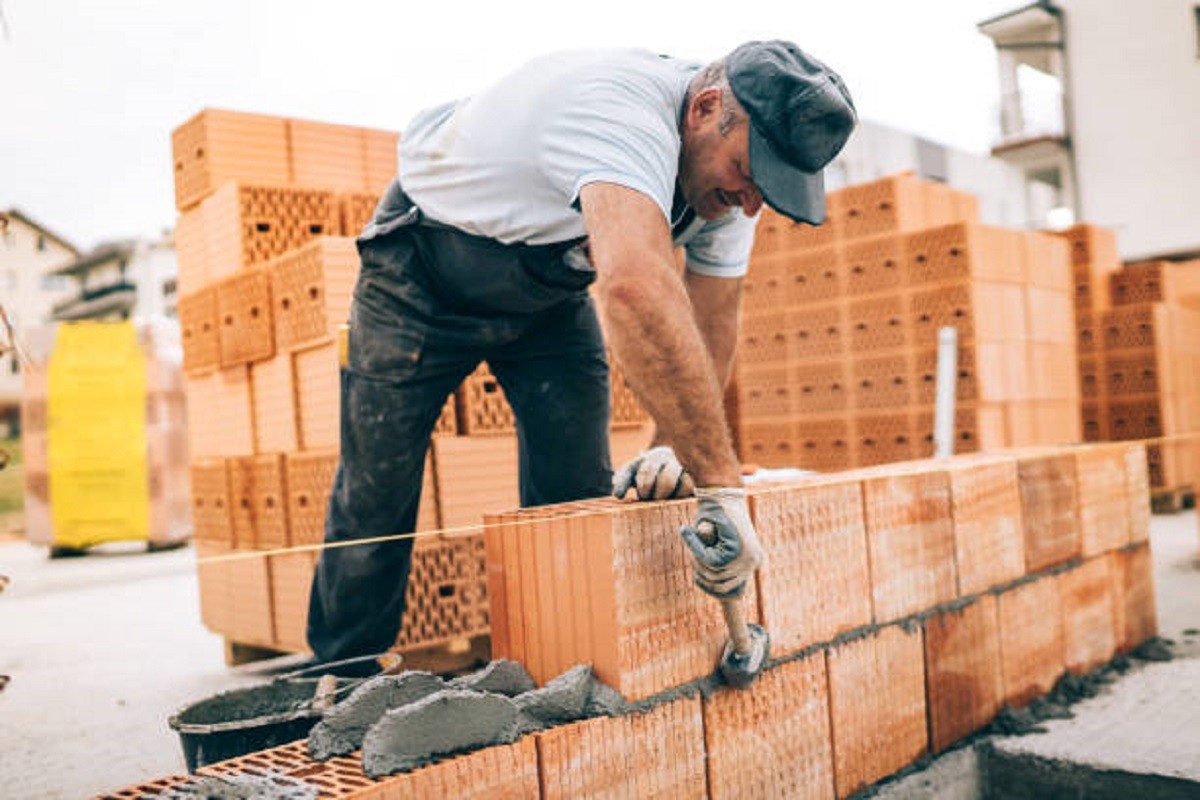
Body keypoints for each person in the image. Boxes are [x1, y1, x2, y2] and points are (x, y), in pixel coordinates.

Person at [304, 40, 856, 674]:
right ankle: (337, 689)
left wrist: (671, 453)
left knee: (575, 494)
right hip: (422, 270)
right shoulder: (617, 112)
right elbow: (634, 285)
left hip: (548, 292)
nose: (753, 203)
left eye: (770, 189)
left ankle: (561, 674)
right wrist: (720, 486)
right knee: (376, 491)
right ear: (705, 109)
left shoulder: (732, 176)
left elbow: (713, 317)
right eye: (749, 174)